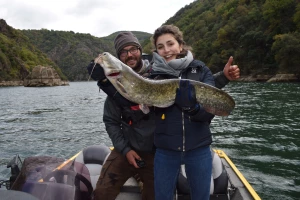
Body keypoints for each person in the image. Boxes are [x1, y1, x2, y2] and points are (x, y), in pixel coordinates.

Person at [86, 31, 240, 200]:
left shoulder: (174, 71)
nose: (129, 54)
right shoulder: (143, 78)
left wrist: (223, 78)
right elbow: (121, 110)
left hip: (168, 149)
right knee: (103, 193)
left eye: (133, 49)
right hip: (140, 149)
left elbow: (196, 88)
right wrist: (106, 83)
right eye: (123, 52)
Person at [148, 24, 224, 200]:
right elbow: (138, 102)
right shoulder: (153, 75)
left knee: (201, 197)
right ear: (156, 51)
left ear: (180, 45)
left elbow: (210, 110)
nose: (166, 50)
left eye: (170, 44)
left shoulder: (201, 69)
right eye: (160, 47)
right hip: (166, 150)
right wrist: (107, 82)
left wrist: (192, 108)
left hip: (198, 148)